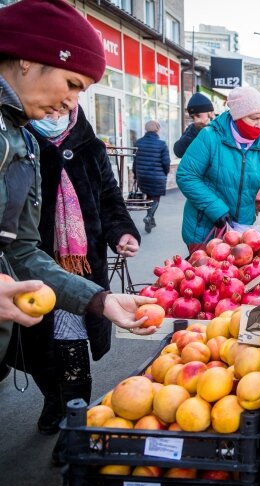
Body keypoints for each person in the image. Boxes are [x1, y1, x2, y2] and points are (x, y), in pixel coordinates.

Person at [0, 0, 155, 393]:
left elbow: (20, 250)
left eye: (81, 92)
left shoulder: (21, 138)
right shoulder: (25, 137)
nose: (72, 101)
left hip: (73, 268)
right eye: (71, 84)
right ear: (27, 60)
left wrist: (100, 300)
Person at [28, 105, 141, 434]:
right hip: (32, 264)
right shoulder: (20, 140)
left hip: (83, 265)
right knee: (37, 344)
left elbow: (109, 197)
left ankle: (73, 421)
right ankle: (53, 397)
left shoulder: (90, 145)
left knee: (71, 339)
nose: (59, 107)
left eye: (68, 100)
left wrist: (122, 232)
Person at [177, 85, 260, 253]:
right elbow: (186, 175)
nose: (259, 124)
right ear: (238, 115)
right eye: (254, 118)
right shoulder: (210, 137)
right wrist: (215, 208)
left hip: (241, 232)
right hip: (205, 230)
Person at [134, 120, 170, 233]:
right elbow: (166, 162)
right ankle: (149, 217)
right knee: (155, 198)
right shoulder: (162, 144)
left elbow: (135, 161)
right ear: (157, 129)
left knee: (149, 196)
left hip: (143, 176)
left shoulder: (138, 142)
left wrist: (136, 175)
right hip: (157, 177)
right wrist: (165, 173)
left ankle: (150, 220)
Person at [174, 92, 215, 158]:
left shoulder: (221, 128)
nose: (196, 120)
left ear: (210, 113)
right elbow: (178, 152)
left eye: (198, 115)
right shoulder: (192, 130)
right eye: (193, 117)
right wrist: (194, 133)